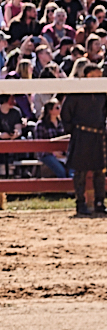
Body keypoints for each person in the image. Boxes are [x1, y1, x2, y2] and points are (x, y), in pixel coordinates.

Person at [61, 61, 107, 216]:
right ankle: (80, 203)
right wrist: (74, 130)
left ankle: (100, 202)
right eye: (96, 75)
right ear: (87, 75)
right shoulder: (77, 93)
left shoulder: (102, 93)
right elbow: (65, 113)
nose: (99, 77)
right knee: (80, 171)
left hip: (98, 134)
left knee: (100, 171)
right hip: (81, 135)